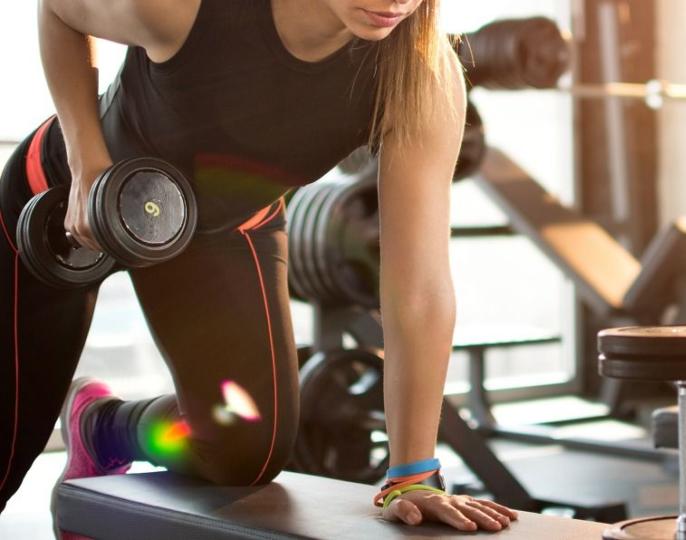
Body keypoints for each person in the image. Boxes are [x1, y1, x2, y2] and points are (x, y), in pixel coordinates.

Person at [0, 0, 518, 535]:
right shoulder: (185, 9)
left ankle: (102, 426)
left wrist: (412, 473)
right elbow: (58, 10)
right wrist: (88, 165)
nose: (394, 3)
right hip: (64, 199)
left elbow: (420, 287)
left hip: (217, 224)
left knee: (246, 449)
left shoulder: (422, 73)